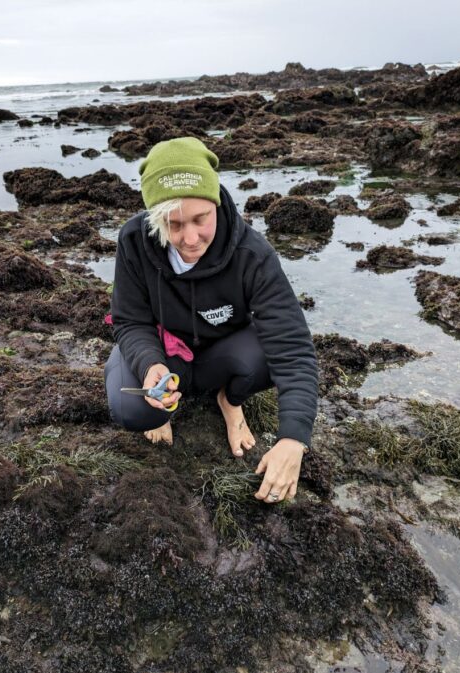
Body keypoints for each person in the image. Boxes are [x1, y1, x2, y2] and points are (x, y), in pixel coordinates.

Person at [104, 137, 318, 504]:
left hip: (223, 351)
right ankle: (164, 404)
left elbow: (293, 347)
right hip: (167, 351)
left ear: (215, 201)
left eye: (200, 219)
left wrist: (293, 438)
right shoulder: (134, 241)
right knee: (131, 409)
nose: (190, 238)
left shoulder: (252, 253)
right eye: (174, 224)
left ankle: (229, 400)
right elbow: (130, 321)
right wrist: (149, 365)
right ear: (156, 218)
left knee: (266, 358)